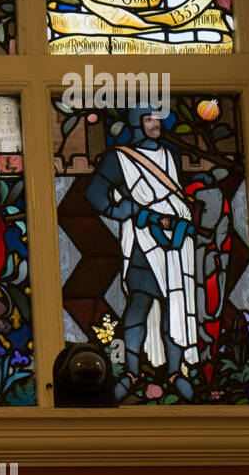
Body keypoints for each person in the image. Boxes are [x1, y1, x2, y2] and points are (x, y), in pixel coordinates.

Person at [85, 102, 198, 400]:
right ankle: (132, 372)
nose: (154, 124)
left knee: (174, 307)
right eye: (148, 118)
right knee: (138, 307)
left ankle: (175, 371)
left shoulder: (171, 155)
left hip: (176, 242)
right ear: (135, 121)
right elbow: (95, 192)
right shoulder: (120, 159)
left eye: (157, 118)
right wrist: (121, 210)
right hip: (144, 244)